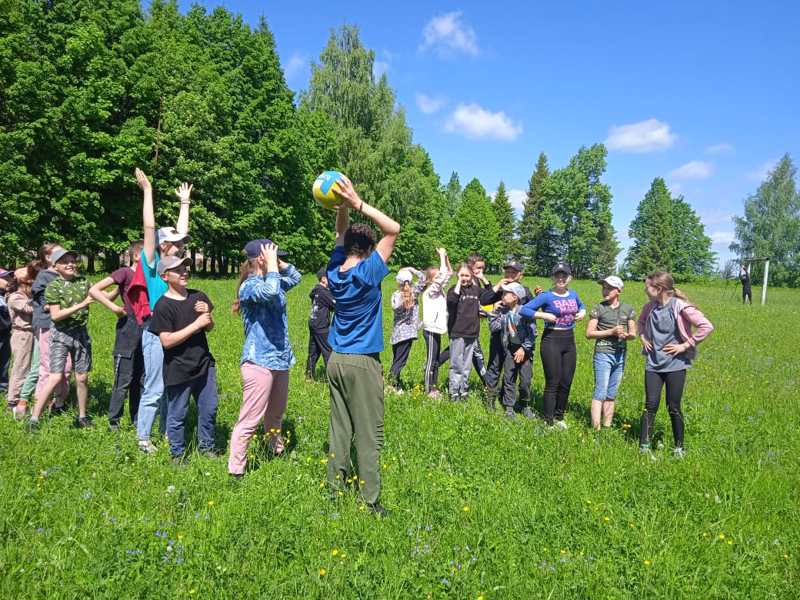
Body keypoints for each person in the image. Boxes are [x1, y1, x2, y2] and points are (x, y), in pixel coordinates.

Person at [325, 175, 399, 517]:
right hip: (362, 363)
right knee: (368, 434)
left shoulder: (335, 271)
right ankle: (370, 501)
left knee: (340, 429)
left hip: (336, 359)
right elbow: (393, 229)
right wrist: (356, 204)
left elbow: (340, 235)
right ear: (369, 250)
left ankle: (334, 491)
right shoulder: (369, 272)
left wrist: (341, 209)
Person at [228, 240, 301, 477]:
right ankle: (236, 469)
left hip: (280, 359)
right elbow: (270, 291)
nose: (277, 261)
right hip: (259, 360)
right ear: (260, 259)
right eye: (272, 256)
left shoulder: (273, 279)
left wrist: (277, 263)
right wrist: (270, 266)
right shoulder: (249, 286)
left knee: (276, 413)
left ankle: (275, 450)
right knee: (250, 418)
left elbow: (296, 277)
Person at [134, 168, 193, 454]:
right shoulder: (153, 264)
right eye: (175, 243)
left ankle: (169, 432)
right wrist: (147, 192)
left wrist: (185, 204)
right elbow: (149, 229)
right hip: (155, 334)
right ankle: (144, 438)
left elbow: (182, 233)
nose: (180, 246)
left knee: (172, 385)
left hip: (176, 332)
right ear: (162, 245)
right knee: (155, 387)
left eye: (181, 245)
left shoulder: (176, 265)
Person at [148, 255, 217, 462]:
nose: (184, 272)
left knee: (209, 408)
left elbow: (209, 327)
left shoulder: (199, 297)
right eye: (178, 270)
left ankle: (207, 447)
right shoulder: (163, 306)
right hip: (178, 368)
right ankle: (177, 454)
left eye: (185, 268)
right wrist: (195, 325)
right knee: (178, 414)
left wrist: (208, 317)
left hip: (204, 364)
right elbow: (166, 341)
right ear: (165, 276)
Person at [638, 271, 714, 457]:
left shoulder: (680, 306)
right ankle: (644, 448)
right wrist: (643, 337)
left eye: (647, 286)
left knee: (673, 406)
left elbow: (706, 326)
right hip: (653, 364)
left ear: (659, 288)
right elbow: (640, 322)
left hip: (676, 365)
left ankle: (679, 448)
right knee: (650, 405)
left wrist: (685, 345)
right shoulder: (650, 307)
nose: (645, 290)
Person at [29, 249, 94, 429]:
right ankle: (34, 418)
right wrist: (81, 305)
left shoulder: (83, 282)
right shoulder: (54, 286)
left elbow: (100, 295)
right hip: (61, 336)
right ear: (56, 266)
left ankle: (82, 416)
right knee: (55, 376)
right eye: (65, 261)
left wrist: (121, 287)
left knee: (82, 377)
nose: (71, 264)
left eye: (72, 260)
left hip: (81, 335)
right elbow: (56, 316)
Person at [520, 262, 585, 428]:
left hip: (569, 340)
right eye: (557, 275)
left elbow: (581, 305)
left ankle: (559, 416)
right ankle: (548, 421)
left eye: (564, 275)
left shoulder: (573, 294)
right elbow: (524, 310)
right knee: (553, 381)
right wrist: (543, 315)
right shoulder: (546, 296)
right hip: (551, 340)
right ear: (553, 277)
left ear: (569, 278)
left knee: (566, 381)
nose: (561, 278)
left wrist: (583, 312)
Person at [89, 240, 145, 431]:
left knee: (141, 378)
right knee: (123, 378)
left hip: (146, 327)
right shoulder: (124, 272)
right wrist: (114, 308)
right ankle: (114, 421)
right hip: (128, 328)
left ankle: (137, 419)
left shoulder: (150, 276)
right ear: (137, 255)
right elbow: (94, 290)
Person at [585, 276, 637, 430]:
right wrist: (612, 332)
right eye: (603, 288)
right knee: (600, 391)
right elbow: (589, 333)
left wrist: (627, 335)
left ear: (618, 291)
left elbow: (633, 333)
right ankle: (596, 428)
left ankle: (606, 427)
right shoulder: (599, 308)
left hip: (620, 355)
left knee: (611, 393)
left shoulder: (628, 309)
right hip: (603, 353)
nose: (605, 291)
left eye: (609, 288)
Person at [479, 260, 534, 403]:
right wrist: (498, 286)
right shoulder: (501, 290)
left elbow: (532, 312)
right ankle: (489, 399)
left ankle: (507, 398)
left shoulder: (525, 291)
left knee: (512, 370)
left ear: (520, 275)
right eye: (507, 271)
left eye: (513, 272)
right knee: (495, 366)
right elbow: (484, 300)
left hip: (517, 340)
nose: (509, 274)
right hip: (499, 335)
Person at [488, 282, 536, 419]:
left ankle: (524, 404)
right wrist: (494, 312)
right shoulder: (503, 312)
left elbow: (533, 333)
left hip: (525, 351)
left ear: (515, 297)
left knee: (525, 381)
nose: (502, 296)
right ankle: (509, 408)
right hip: (510, 349)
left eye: (505, 293)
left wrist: (524, 349)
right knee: (509, 378)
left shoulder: (525, 312)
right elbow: (494, 328)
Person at [446, 263, 482, 402]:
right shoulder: (453, 290)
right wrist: (458, 284)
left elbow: (490, 296)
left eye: (467, 275)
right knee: (456, 364)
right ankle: (453, 392)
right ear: (457, 276)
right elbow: (451, 302)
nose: (464, 278)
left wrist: (483, 278)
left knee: (467, 365)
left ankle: (464, 390)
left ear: (471, 276)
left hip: (472, 333)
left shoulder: (476, 290)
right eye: (462, 275)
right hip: (457, 332)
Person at [388, 266, 425, 392]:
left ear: (398, 282)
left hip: (397, 334)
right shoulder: (414, 293)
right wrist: (412, 270)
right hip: (408, 334)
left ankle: (395, 385)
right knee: (400, 362)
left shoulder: (396, 295)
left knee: (396, 360)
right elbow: (423, 278)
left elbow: (394, 307)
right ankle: (391, 385)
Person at [420, 248, 451, 398]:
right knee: (431, 360)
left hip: (437, 329)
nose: (441, 278)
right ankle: (428, 389)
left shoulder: (438, 291)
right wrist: (441, 256)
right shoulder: (431, 291)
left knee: (436, 360)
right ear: (432, 280)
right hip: (431, 329)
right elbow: (443, 276)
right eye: (437, 276)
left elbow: (448, 275)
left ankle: (434, 387)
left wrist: (445, 259)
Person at [6, 266, 35, 417]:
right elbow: (29, 309)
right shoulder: (15, 297)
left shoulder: (25, 296)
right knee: (21, 367)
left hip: (30, 333)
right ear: (21, 284)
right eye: (29, 284)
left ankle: (25, 396)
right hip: (22, 334)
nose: (32, 287)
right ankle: (13, 400)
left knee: (28, 367)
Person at [306, 267, 335, 380]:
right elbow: (335, 304)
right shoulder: (324, 292)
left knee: (314, 350)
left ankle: (309, 376)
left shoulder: (316, 290)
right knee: (328, 350)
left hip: (313, 322)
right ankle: (332, 378)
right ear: (323, 279)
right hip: (321, 325)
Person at [0, 268, 12, 394]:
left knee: (4, 361)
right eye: (5, 278)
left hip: (4, 334)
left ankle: (2, 388)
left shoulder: (4, 295)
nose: (9, 280)